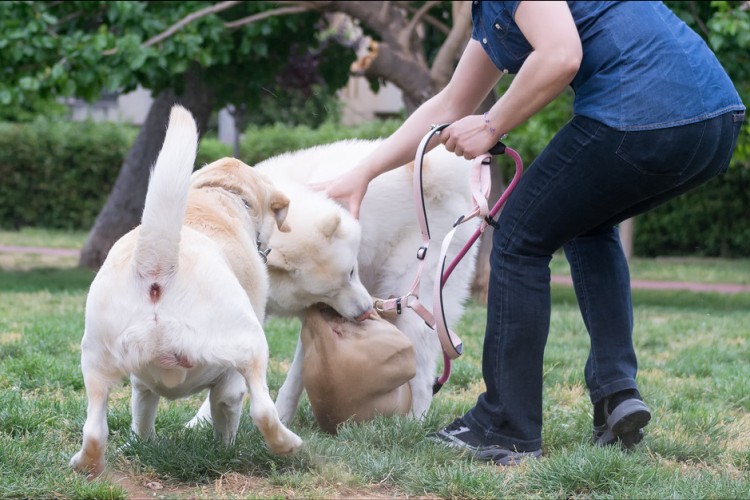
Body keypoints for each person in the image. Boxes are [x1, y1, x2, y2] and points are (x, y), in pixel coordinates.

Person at [316, 1, 745, 466]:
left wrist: (491, 124)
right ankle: (616, 394)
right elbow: (448, 105)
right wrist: (364, 173)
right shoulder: (491, 14)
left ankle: (506, 426)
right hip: (713, 119)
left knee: (519, 237)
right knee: (585, 223)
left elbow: (560, 56)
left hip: (642, 108)